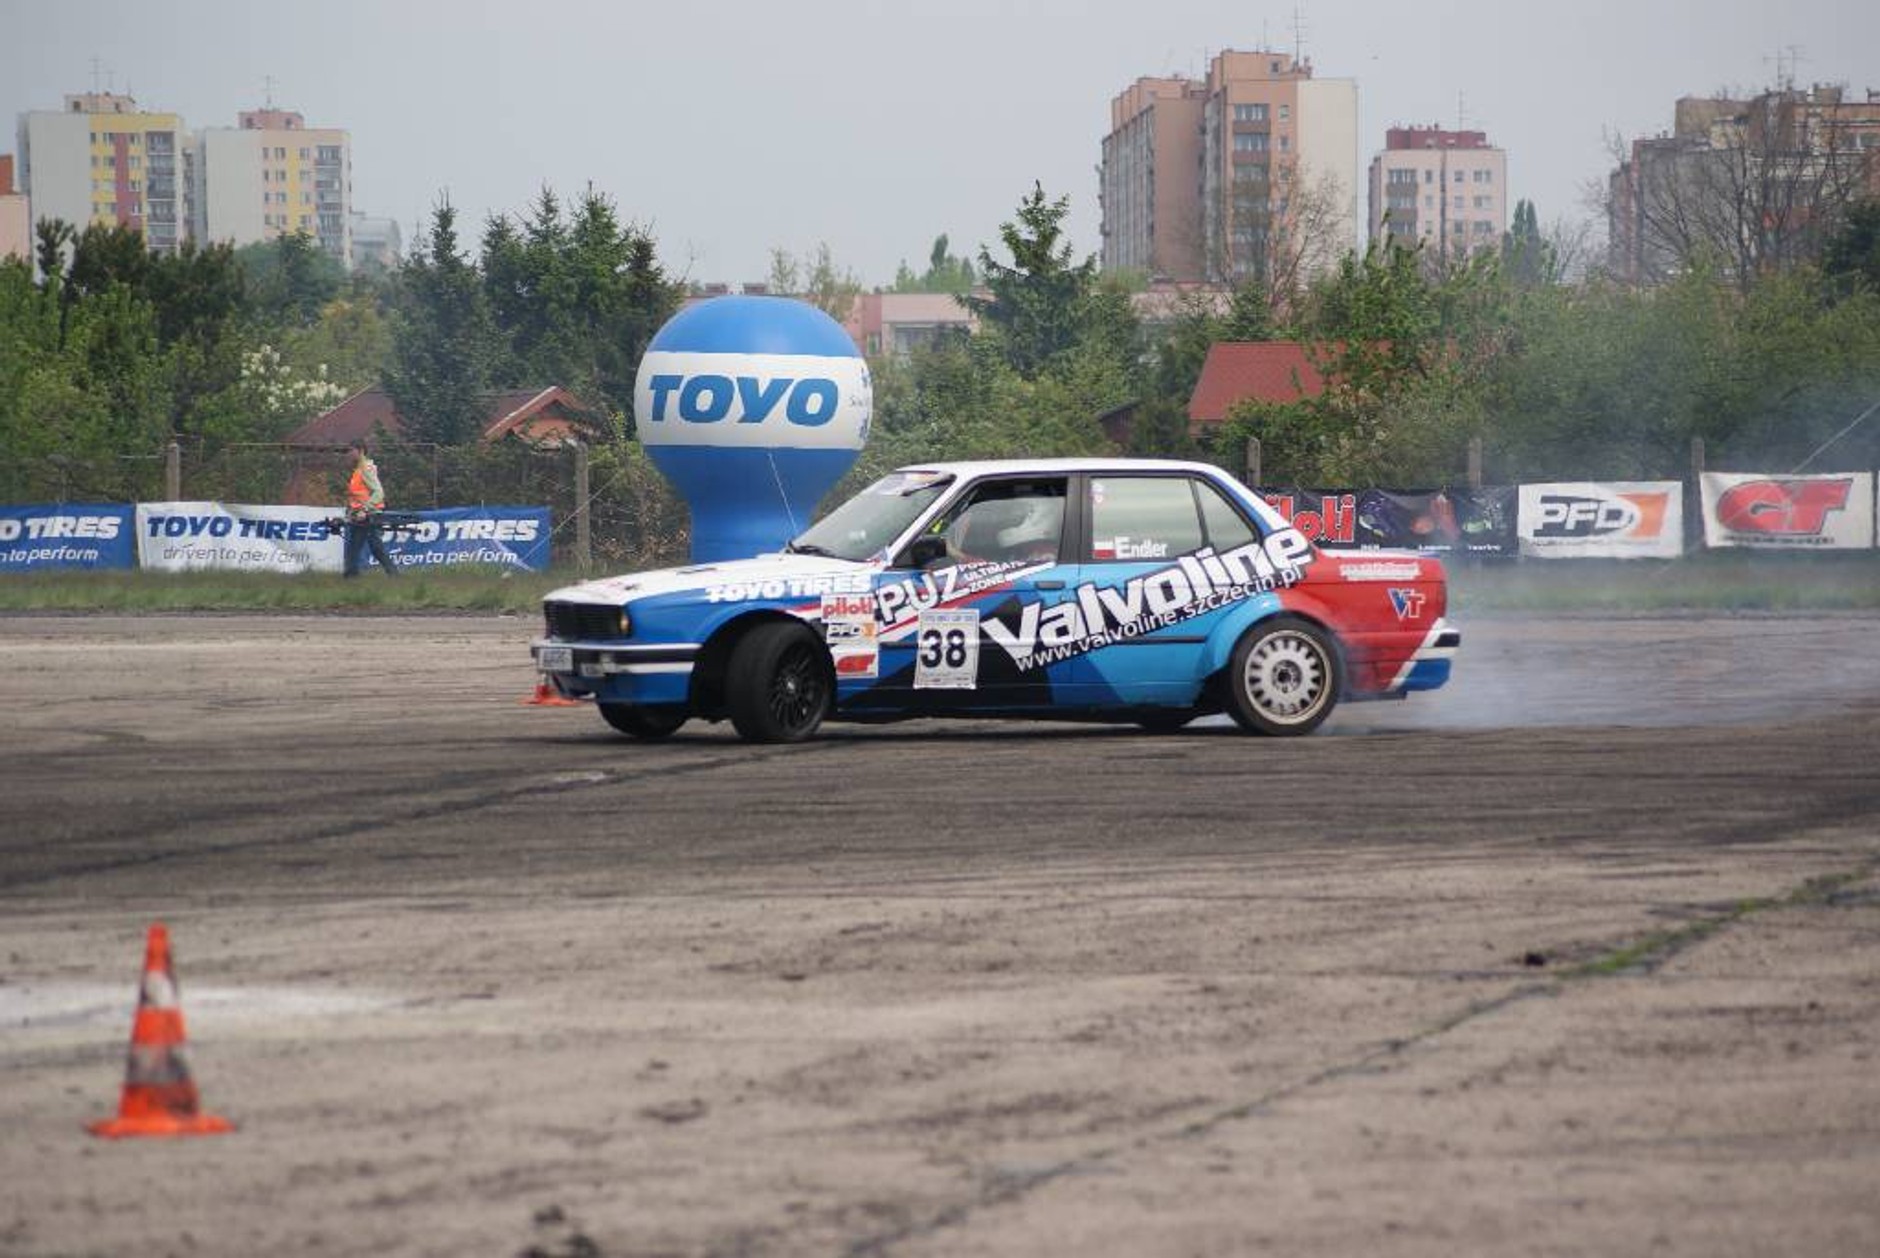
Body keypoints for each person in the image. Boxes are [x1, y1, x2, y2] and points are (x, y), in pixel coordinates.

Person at [342, 439, 398, 578]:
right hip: (362, 513)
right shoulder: (360, 469)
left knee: (355, 546)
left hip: (367, 514)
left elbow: (379, 492)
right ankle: (393, 574)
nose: (348, 454)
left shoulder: (365, 469)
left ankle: (351, 576)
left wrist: (364, 510)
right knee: (373, 547)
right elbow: (358, 494)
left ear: (360, 451)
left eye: (351, 450)